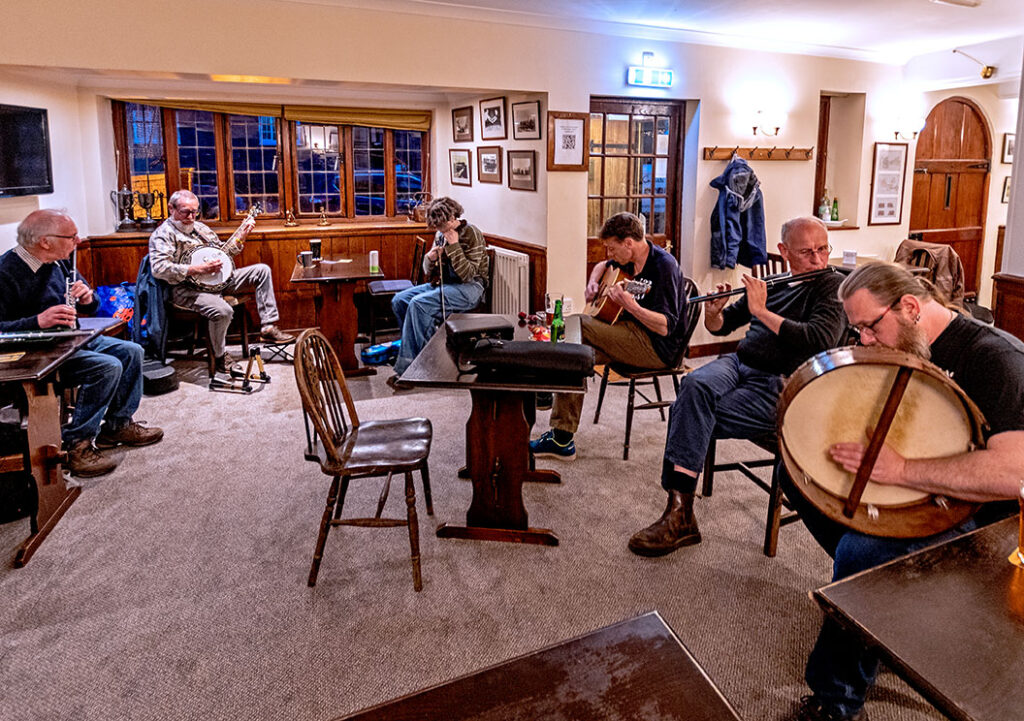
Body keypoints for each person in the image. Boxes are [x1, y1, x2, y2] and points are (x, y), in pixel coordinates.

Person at [784, 262, 1024, 721]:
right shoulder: (909, 340)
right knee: (799, 476)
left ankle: (837, 699)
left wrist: (900, 469)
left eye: (868, 328)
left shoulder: (997, 360)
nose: (863, 341)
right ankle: (877, 612)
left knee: (860, 551)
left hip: (992, 522)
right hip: (930, 488)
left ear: (910, 307)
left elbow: (1014, 474)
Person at [628, 216, 846, 556]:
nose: (818, 259)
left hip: (784, 384)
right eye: (807, 252)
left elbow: (817, 339)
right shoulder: (774, 282)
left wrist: (762, 312)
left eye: (823, 249)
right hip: (739, 364)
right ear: (784, 251)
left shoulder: (831, 287)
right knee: (694, 385)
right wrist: (714, 313)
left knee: (688, 412)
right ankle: (681, 513)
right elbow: (722, 326)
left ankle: (679, 512)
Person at [0, 210, 163, 477]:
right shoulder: (5, 271)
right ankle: (78, 443)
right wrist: (36, 321)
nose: (77, 242)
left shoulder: (60, 261)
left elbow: (94, 304)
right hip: (38, 353)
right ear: (45, 241)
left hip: (69, 340)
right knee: (107, 367)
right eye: (71, 236)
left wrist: (87, 298)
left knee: (132, 351)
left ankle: (117, 424)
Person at [530, 212, 684, 461]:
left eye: (612, 248)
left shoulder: (663, 266)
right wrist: (592, 283)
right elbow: (604, 267)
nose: (609, 254)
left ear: (628, 243)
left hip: (657, 347)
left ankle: (548, 382)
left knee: (575, 322)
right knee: (577, 354)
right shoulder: (631, 260)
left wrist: (632, 306)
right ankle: (562, 438)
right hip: (628, 334)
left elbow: (666, 326)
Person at [148, 190, 293, 372]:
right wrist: (198, 269)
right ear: (171, 208)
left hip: (217, 280)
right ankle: (220, 356)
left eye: (195, 212)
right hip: (186, 289)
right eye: (186, 212)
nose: (191, 217)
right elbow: (159, 269)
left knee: (261, 271)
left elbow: (224, 253)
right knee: (223, 310)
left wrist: (243, 235)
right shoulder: (163, 235)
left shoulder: (200, 229)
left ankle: (268, 327)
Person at [390, 196, 489, 384]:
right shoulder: (440, 234)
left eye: (443, 226)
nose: (440, 231)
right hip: (446, 284)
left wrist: (454, 247)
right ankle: (423, 356)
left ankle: (411, 366)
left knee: (419, 304)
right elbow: (429, 273)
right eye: (437, 228)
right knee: (400, 300)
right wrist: (430, 258)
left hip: (470, 288)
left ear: (453, 218)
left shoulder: (471, 234)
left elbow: (468, 274)